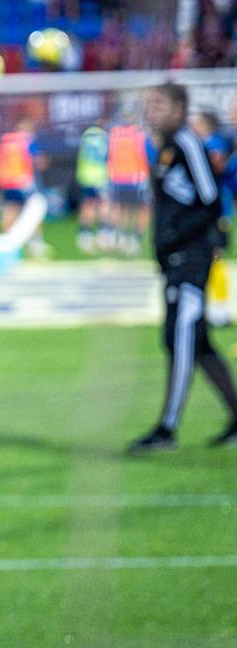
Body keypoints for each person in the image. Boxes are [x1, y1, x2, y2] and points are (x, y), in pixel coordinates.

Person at [128, 82, 237, 454]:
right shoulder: (165, 149)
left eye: (158, 104)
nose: (151, 110)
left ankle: (167, 428)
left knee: (180, 340)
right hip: (174, 261)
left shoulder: (188, 144)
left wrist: (180, 243)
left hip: (190, 261)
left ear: (179, 107)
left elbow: (209, 200)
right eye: (148, 104)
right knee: (199, 343)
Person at [190, 110, 232, 327]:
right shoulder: (202, 143)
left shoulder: (214, 142)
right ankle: (212, 306)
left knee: (216, 257)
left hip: (218, 212)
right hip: (208, 212)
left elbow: (219, 166)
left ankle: (221, 308)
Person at [0, 117, 51, 256]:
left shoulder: (6, 141)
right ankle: (36, 243)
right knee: (35, 211)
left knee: (10, 210)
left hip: (8, 182)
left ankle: (7, 241)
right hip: (24, 182)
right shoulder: (26, 140)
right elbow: (37, 161)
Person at [107, 114, 152, 257]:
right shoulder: (140, 135)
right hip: (137, 177)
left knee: (122, 208)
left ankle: (120, 236)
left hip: (117, 177)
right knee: (143, 209)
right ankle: (135, 238)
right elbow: (147, 155)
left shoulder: (114, 134)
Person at [75, 120, 110, 254]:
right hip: (100, 176)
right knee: (103, 206)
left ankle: (85, 235)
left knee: (87, 206)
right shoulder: (104, 136)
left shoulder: (86, 136)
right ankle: (102, 234)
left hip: (85, 175)